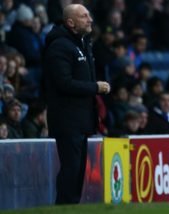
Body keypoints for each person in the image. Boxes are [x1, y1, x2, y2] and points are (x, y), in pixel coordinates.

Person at [42, 4, 110, 204]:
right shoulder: (59, 46)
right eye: (83, 16)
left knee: (79, 169)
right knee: (71, 169)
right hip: (67, 120)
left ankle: (72, 206)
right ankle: (64, 206)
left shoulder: (82, 43)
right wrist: (94, 87)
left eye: (89, 15)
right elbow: (63, 83)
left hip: (81, 120)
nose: (90, 19)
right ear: (70, 22)